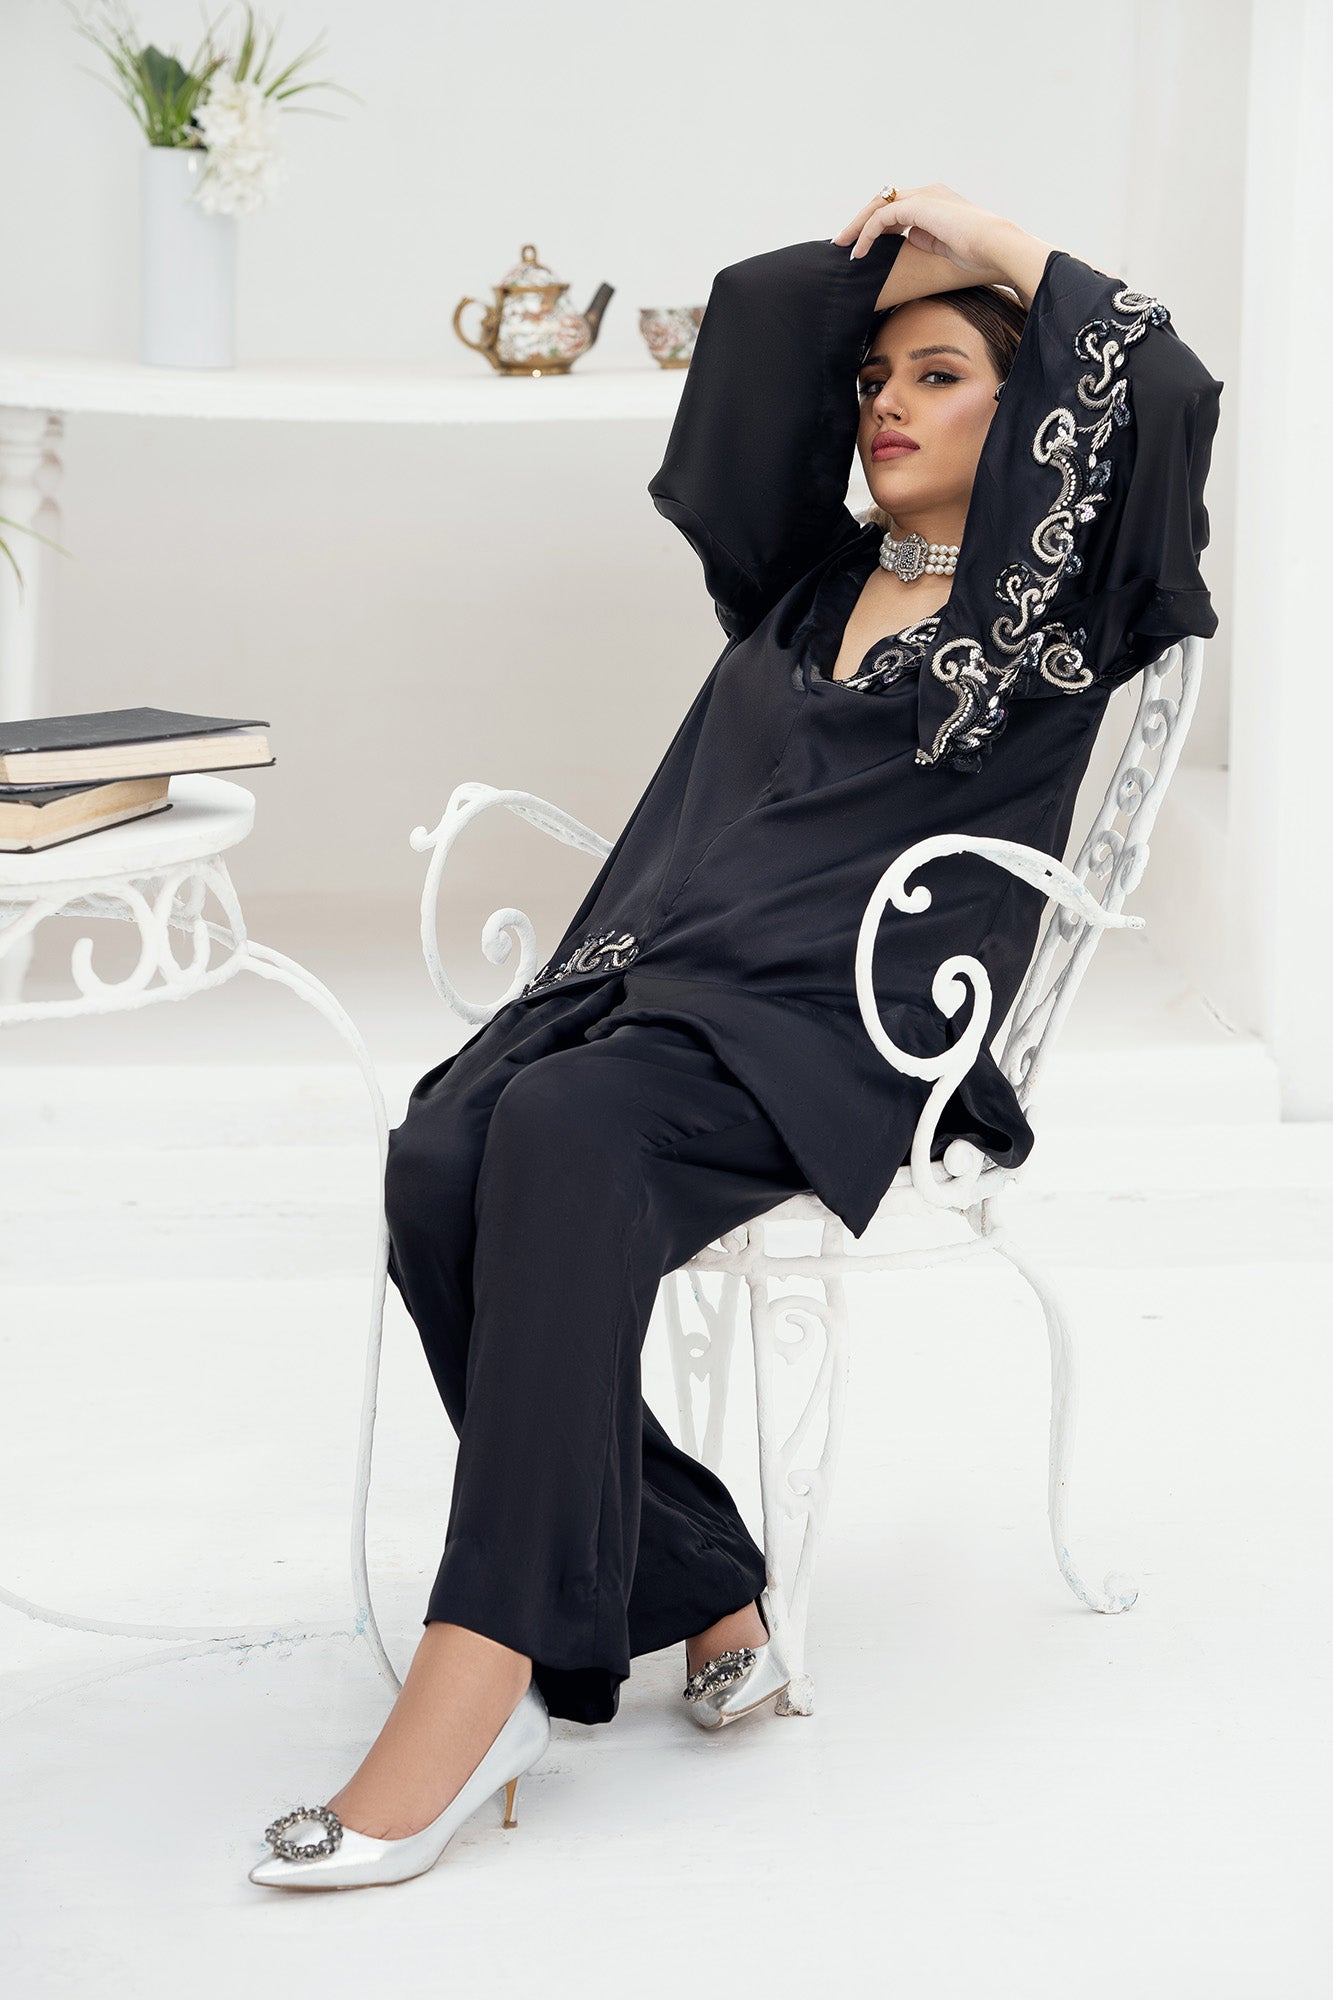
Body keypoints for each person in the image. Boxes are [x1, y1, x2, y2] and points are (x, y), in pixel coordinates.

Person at [248, 182, 1222, 1890]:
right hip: (655, 985)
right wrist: (883, 275)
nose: (886, 404)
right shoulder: (805, 580)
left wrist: (985, 240)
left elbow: (1167, 387)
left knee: (562, 1133)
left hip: (840, 1029)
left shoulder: (1059, 605)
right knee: (442, 1153)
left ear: (1033, 422)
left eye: (938, 376)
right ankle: (702, 1579)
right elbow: (758, 334)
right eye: (876, 380)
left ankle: (484, 1677)